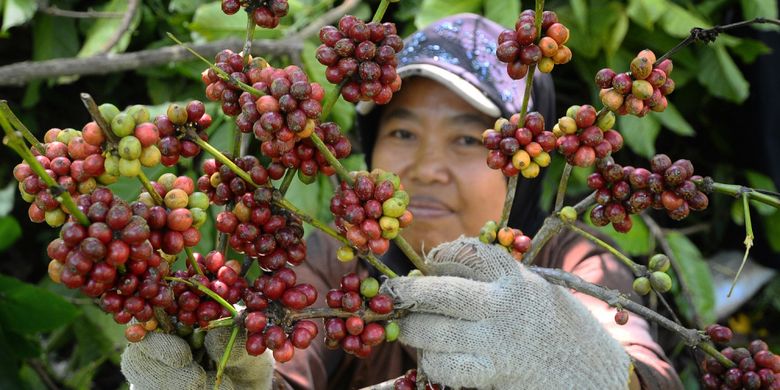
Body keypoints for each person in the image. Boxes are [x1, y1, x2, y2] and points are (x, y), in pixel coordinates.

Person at [121, 13, 683, 390]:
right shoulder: (336, 257)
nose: (425, 168)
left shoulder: (573, 260)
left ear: (527, 165)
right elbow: (288, 362)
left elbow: (649, 370)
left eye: (470, 139)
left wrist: (588, 368)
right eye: (403, 134)